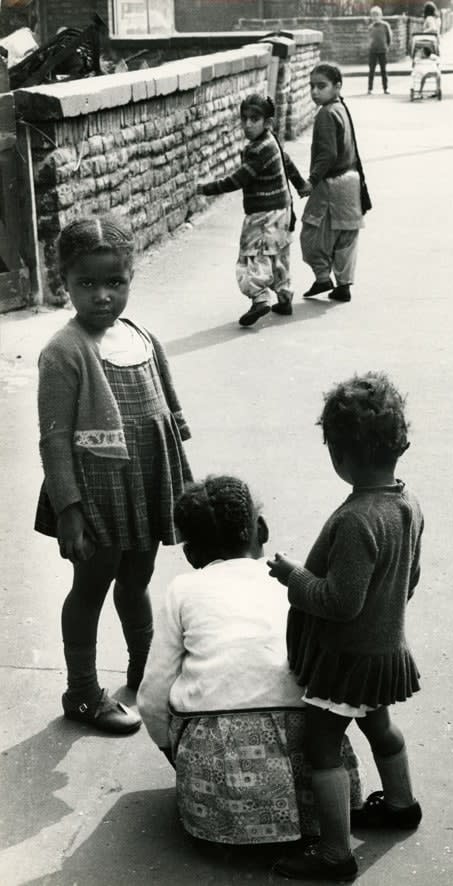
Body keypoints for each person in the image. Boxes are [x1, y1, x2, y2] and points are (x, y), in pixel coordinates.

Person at [137, 476, 363, 845]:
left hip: (218, 767)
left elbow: (152, 696)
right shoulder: (294, 579)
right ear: (262, 530)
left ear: (190, 554)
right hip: (313, 749)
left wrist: (172, 750)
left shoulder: (182, 589)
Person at [34, 214, 193, 735]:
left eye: (115, 282)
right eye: (87, 283)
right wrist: (69, 509)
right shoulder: (65, 351)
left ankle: (145, 671)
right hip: (96, 493)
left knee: (137, 578)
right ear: (64, 281)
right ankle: (81, 693)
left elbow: (164, 401)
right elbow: (54, 438)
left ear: (130, 277)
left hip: (143, 486)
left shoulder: (140, 336)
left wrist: (179, 476)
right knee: (91, 586)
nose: (102, 295)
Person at [268, 372, 424, 882]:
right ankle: (401, 805)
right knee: (379, 725)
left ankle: (335, 854)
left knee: (321, 745)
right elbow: (409, 578)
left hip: (346, 660)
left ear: (338, 456)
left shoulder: (358, 519)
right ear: (400, 444)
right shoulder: (407, 504)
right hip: (383, 650)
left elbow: (340, 603)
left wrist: (294, 578)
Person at [196, 94, 308, 327]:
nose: (247, 124)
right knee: (278, 253)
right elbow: (287, 163)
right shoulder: (272, 141)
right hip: (282, 210)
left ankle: (259, 298)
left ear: (267, 122)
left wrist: (205, 189)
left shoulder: (259, 150)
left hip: (263, 214)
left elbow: (238, 179)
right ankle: (284, 297)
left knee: (253, 255)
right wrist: (301, 185)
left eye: (254, 119)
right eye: (244, 119)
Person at [300, 64, 365, 305]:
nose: (315, 92)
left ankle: (322, 277)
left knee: (311, 234)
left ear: (337, 86)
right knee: (345, 237)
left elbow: (327, 154)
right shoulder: (340, 107)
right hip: (351, 183)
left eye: (321, 86)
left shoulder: (326, 113)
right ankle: (343, 285)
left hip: (331, 185)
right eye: (312, 86)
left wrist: (311, 181)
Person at [367, 6, 392, 95]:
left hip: (382, 51)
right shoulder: (371, 27)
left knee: (383, 70)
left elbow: (389, 37)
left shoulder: (385, 25)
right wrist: (370, 46)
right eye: (373, 15)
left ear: (381, 16)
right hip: (373, 51)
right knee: (371, 70)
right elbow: (370, 38)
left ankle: (385, 88)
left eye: (377, 15)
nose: (375, 17)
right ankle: (370, 89)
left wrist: (387, 46)